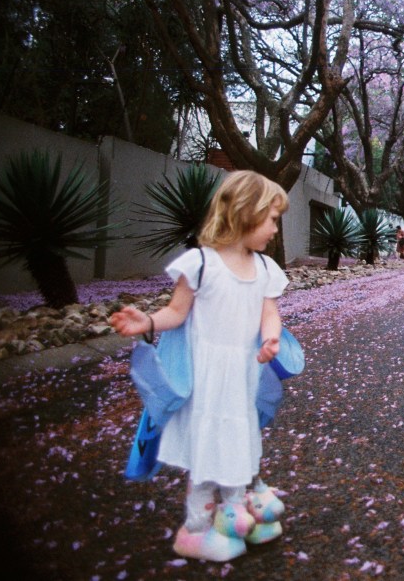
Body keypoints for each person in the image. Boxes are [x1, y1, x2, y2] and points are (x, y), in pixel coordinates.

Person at [110, 170, 290, 561]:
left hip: (241, 375)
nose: (276, 229)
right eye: (272, 219)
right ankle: (195, 530)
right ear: (245, 212)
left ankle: (233, 516)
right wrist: (147, 322)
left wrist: (271, 338)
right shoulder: (200, 264)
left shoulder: (265, 269)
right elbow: (177, 312)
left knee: (237, 443)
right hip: (208, 379)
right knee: (208, 452)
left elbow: (269, 314)